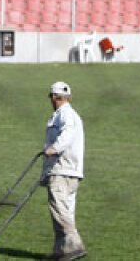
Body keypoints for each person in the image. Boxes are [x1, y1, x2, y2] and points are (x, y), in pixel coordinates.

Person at [43, 81, 86, 261]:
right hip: (70, 170)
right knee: (65, 211)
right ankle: (61, 251)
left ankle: (74, 245)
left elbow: (67, 133)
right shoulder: (70, 114)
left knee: (59, 210)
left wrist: (55, 148)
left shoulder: (65, 115)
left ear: (53, 97)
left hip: (62, 169)